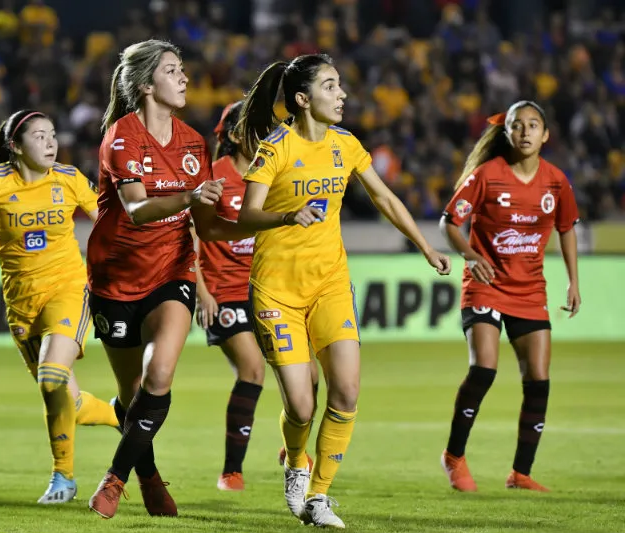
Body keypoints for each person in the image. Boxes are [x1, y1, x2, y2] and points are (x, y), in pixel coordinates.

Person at [235, 54, 451, 528]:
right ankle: (296, 461)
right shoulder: (275, 148)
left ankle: (319, 497)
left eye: (340, 86)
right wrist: (288, 216)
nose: (343, 95)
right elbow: (245, 216)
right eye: (331, 86)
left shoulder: (345, 144)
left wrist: (424, 246)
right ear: (303, 98)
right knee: (300, 405)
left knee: (347, 392)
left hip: (330, 283)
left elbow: (385, 197)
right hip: (277, 290)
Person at [86, 39, 252, 519]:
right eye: (173, 70)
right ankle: (149, 476)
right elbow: (137, 209)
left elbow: (207, 226)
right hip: (114, 278)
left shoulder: (194, 142)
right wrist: (190, 197)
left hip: (171, 271)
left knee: (159, 376)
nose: (183, 78)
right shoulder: (122, 136)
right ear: (145, 84)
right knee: (130, 392)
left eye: (183, 69)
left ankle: (114, 479)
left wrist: (273, 222)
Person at [0, 109, 119, 505]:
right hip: (22, 302)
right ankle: (119, 416)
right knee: (67, 400)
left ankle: (64, 478)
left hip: (69, 289)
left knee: (51, 375)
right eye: (39, 136)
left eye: (52, 134)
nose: (50, 142)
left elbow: (108, 223)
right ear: (15, 147)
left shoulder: (70, 179)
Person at [439, 100, 580, 493]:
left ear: (546, 134)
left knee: (538, 379)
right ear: (507, 133)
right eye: (518, 125)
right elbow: (450, 221)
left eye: (534, 125)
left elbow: (566, 228)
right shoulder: (487, 175)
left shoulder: (556, 181)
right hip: (485, 284)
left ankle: (520, 473)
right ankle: (454, 456)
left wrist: (573, 281)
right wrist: (469, 255)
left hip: (529, 289)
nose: (526, 132)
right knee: (484, 368)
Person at [193, 101, 318, 491]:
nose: (267, 134)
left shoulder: (276, 175)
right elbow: (190, 236)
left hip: (272, 288)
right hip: (225, 293)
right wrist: (202, 293)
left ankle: (292, 446)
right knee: (253, 370)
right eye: (256, 127)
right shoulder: (214, 178)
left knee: (310, 374)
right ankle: (231, 471)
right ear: (233, 135)